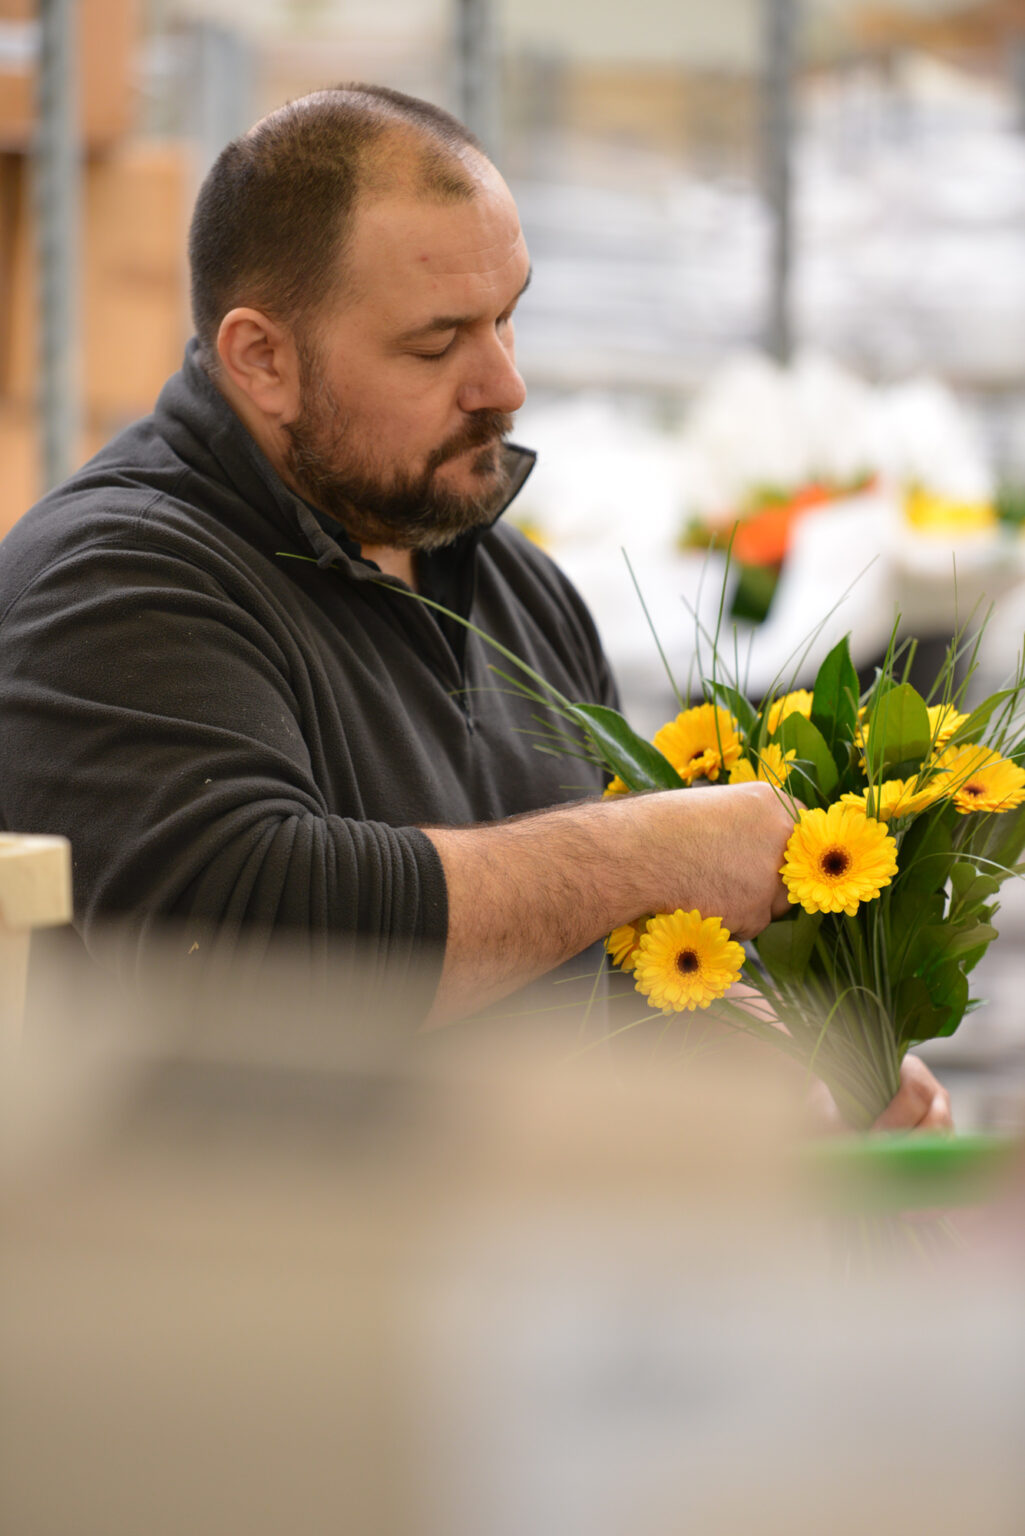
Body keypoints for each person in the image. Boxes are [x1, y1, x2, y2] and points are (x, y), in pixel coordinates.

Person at [0, 85, 948, 1127]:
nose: (503, 384)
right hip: (220, 1233)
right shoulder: (112, 582)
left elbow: (614, 962)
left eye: (505, 318)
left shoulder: (510, 586)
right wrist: (641, 850)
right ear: (261, 359)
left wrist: (790, 1065)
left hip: (512, 1228)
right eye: (435, 343)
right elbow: (241, 950)